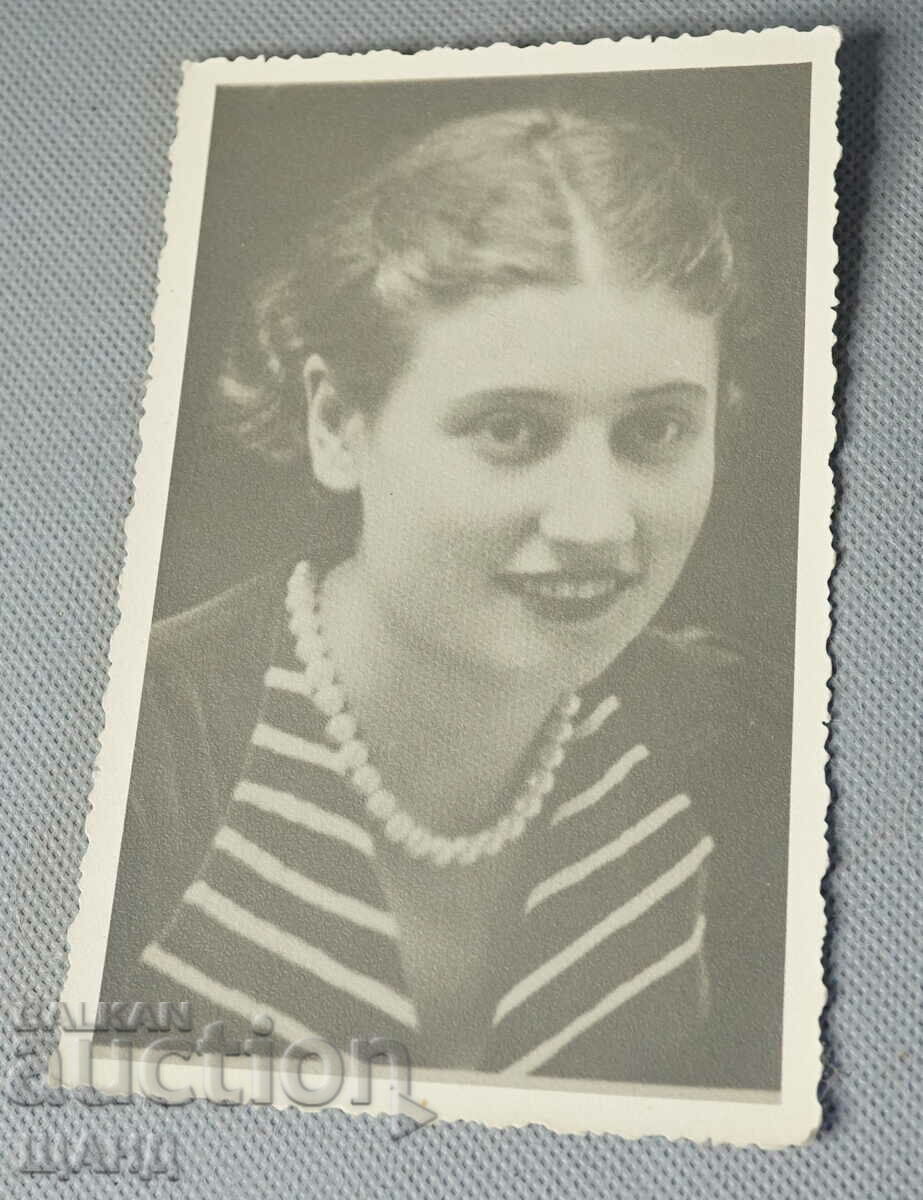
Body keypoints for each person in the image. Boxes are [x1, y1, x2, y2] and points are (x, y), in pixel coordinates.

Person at [97, 106, 790, 1088]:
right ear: (336, 422)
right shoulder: (129, 762)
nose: (597, 522)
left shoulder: (731, 751)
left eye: (655, 432)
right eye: (509, 428)